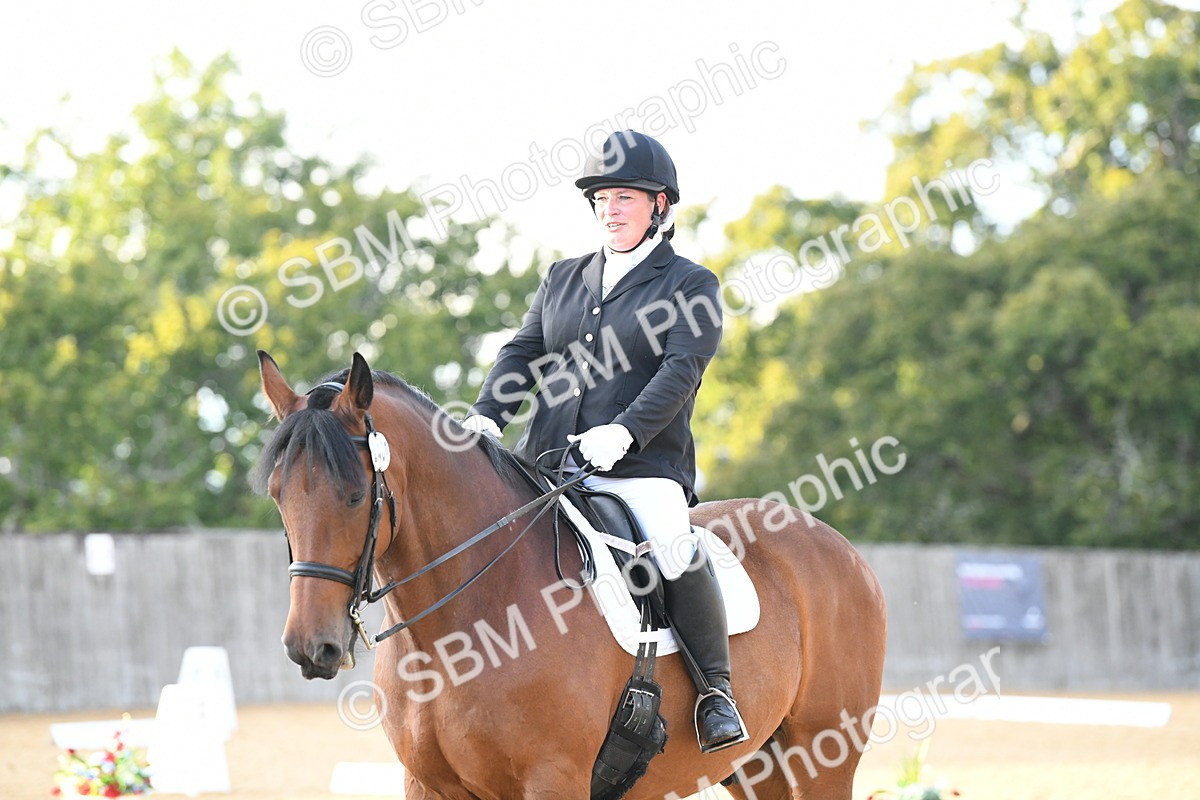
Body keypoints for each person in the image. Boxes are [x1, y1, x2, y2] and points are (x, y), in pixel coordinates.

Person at [463, 130, 747, 753]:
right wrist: (487, 415)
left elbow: (681, 371)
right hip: (547, 465)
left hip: (641, 466)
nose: (610, 210)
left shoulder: (690, 284)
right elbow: (523, 352)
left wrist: (625, 431)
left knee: (672, 544)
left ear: (659, 205)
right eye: (601, 199)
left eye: (625, 198)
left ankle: (715, 693)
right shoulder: (563, 278)